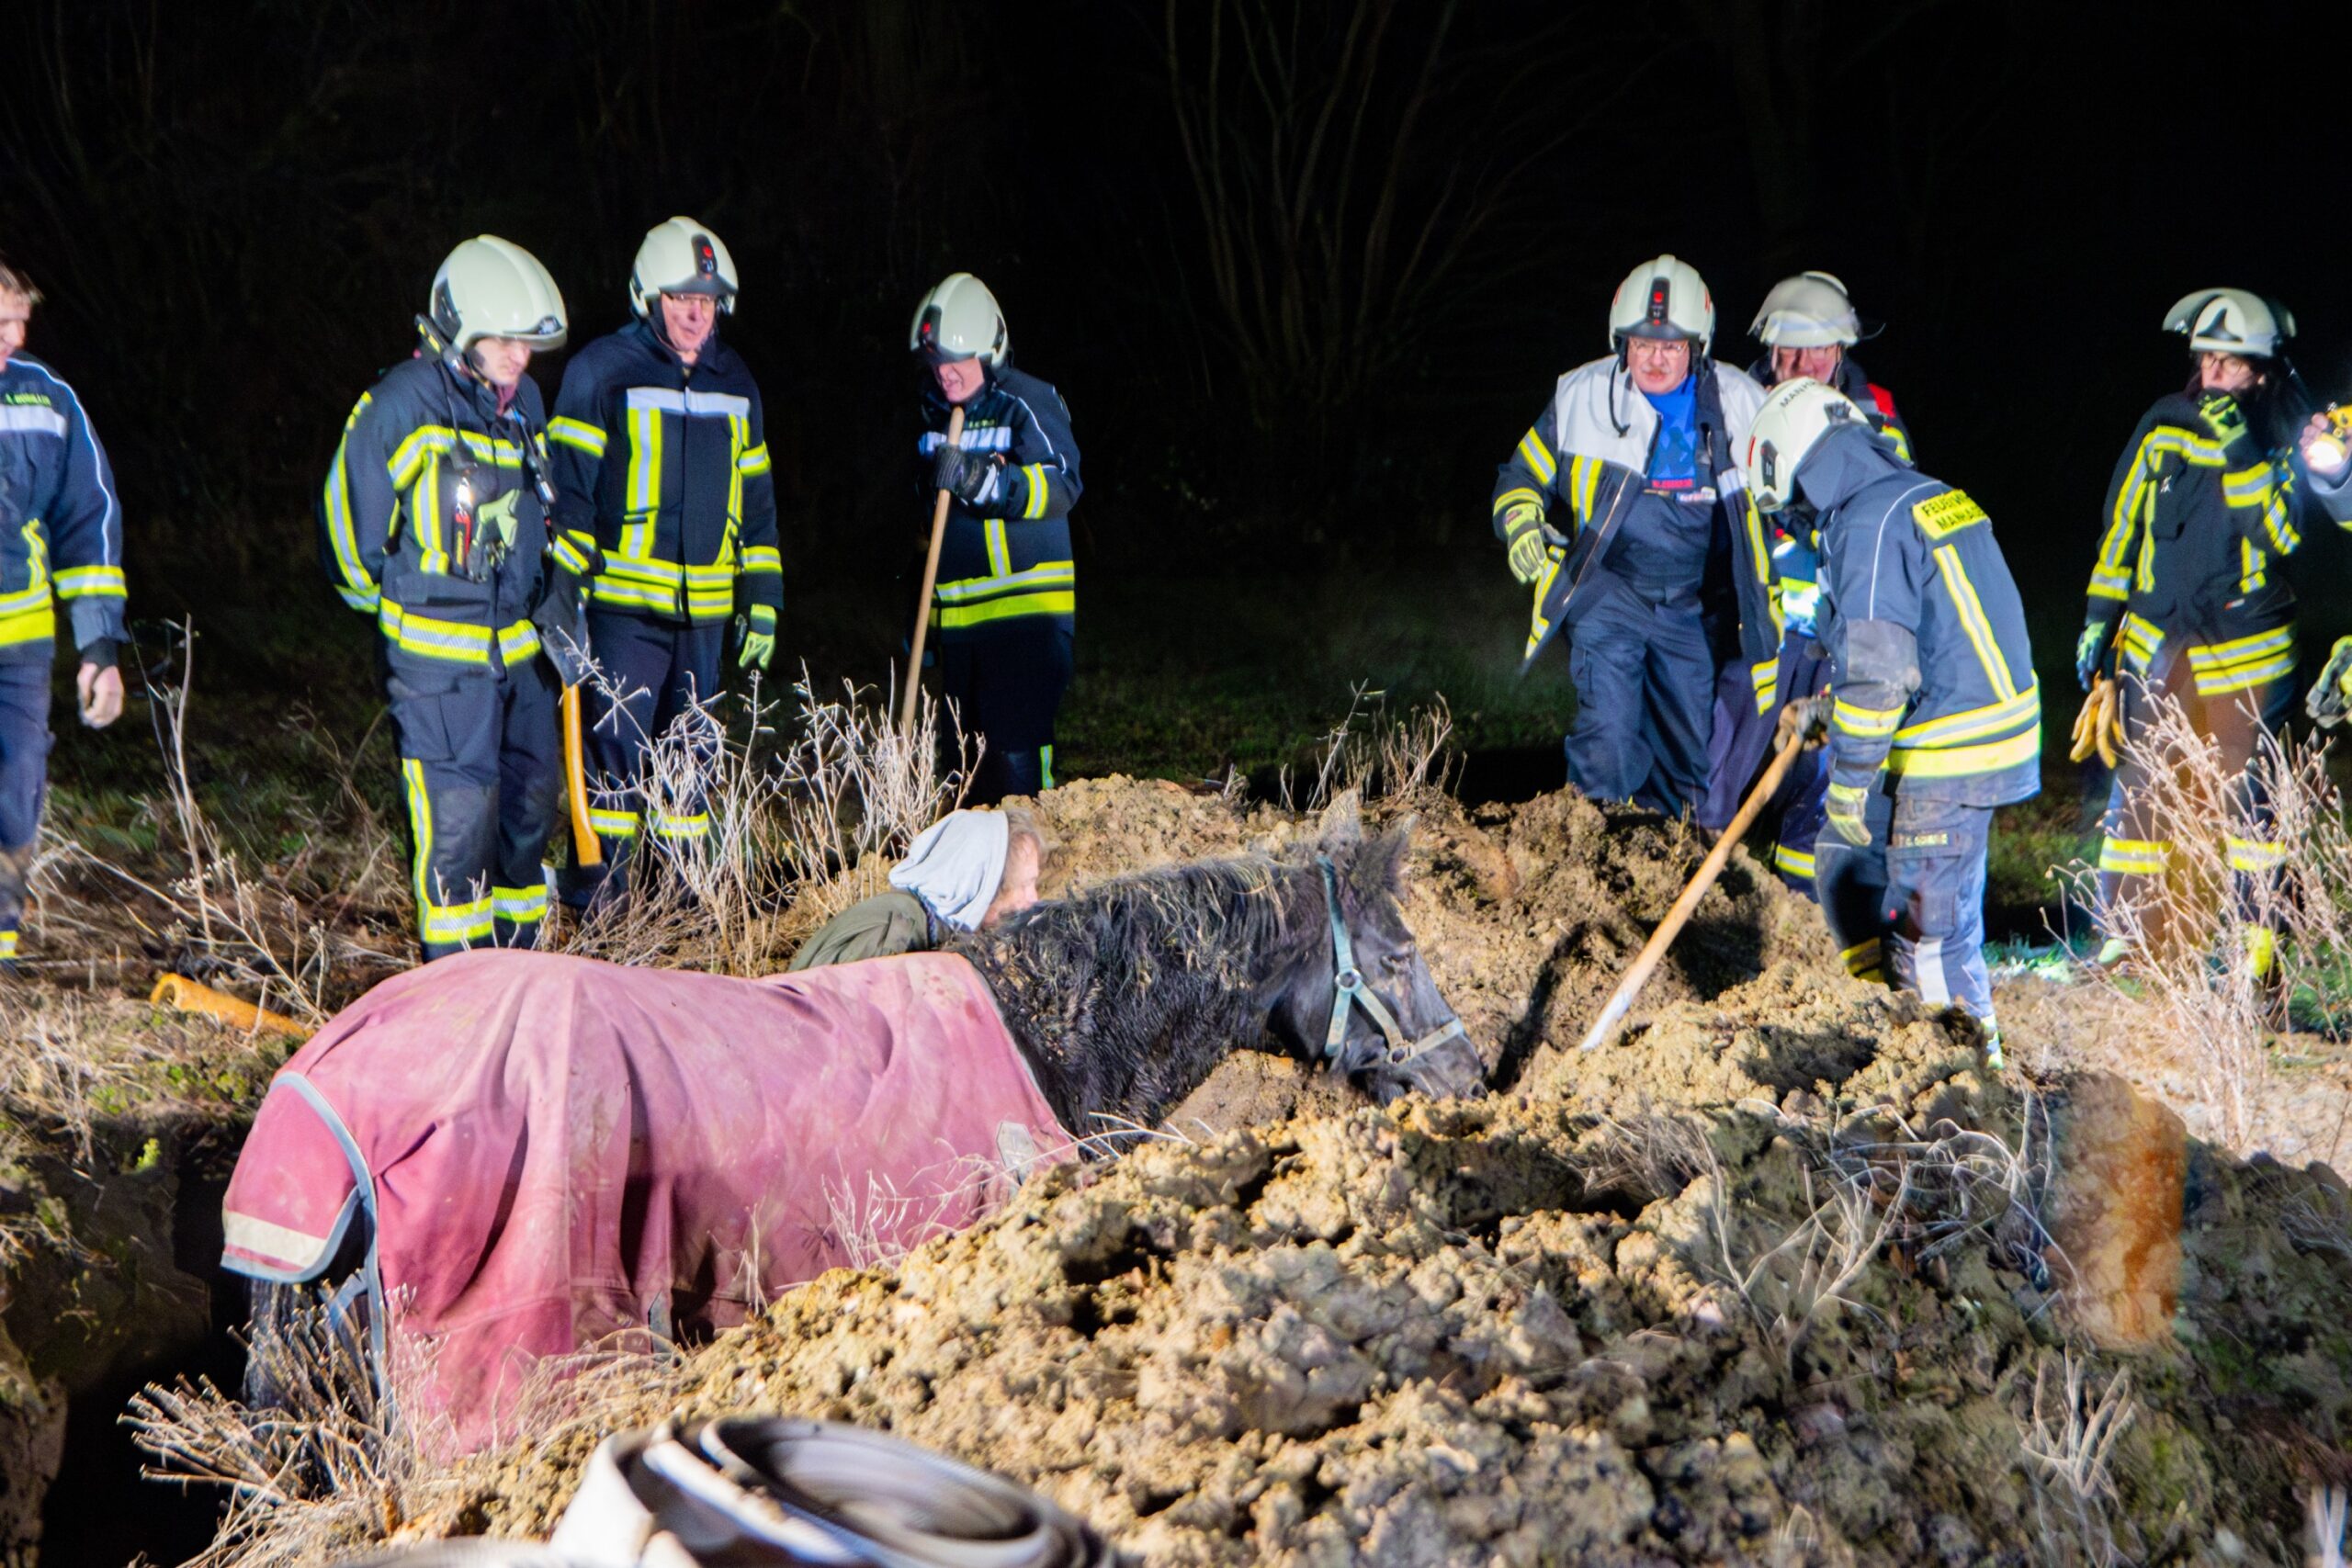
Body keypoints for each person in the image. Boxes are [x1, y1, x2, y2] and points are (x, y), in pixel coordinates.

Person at [1744, 377, 2038, 1067]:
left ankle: (1967, 1101)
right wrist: (1828, 713)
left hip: (1948, 751)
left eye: (1792, 507)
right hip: (1975, 732)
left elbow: (1880, 677)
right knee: (1844, 865)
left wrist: (1845, 792)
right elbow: (1926, 643)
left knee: (1930, 940)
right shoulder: (1923, 494)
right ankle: (1877, 1034)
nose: (1798, 522)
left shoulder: (1867, 522)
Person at [320, 236, 572, 961]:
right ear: (457, 328)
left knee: (527, 814)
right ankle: (457, 1001)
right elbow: (348, 527)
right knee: (457, 834)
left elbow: (537, 511)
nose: (518, 357)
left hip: (517, 657)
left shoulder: (524, 401)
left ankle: (517, 974)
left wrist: (551, 591)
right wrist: (400, 607)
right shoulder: (403, 403)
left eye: (527, 343)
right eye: (502, 341)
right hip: (438, 668)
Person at [1491, 255, 1777, 818]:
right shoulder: (1581, 397)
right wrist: (1521, 522)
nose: (1656, 358)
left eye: (1671, 346)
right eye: (1643, 343)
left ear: (1697, 346)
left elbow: (1791, 495)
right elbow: (1520, 475)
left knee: (1689, 756)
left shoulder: (1744, 403)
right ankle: (1592, 857)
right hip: (1609, 592)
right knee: (1611, 737)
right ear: (1621, 341)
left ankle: (1663, 872)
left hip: (1692, 609)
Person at [546, 219, 780, 903]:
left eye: (707, 302)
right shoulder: (601, 372)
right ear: (649, 297)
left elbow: (758, 501)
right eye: (682, 299)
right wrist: (565, 588)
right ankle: (606, 914)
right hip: (624, 615)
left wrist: (762, 596)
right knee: (613, 771)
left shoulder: (737, 382)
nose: (694, 314)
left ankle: (683, 912)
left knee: (689, 774)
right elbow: (573, 496)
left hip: (704, 619)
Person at [2077, 289, 2307, 976]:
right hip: (2160, 640)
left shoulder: (2287, 439)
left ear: (2261, 374)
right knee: (2139, 791)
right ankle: (2126, 939)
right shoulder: (2164, 426)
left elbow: (2279, 532)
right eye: (2206, 360)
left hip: (2247, 650)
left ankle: (2252, 956)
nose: (2213, 376)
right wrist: (2097, 622)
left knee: (2251, 806)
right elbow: (2121, 530)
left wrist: (2239, 448)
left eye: (2230, 365)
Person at [1707, 272, 1917, 891]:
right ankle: (1700, 902)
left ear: (1841, 351)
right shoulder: (1738, 401)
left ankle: (1804, 916)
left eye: (1814, 352)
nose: (1798, 366)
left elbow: (1889, 515)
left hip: (1836, 635)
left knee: (1821, 784)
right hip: (1757, 631)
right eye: (1785, 352)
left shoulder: (1875, 412)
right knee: (1719, 770)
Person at [909, 273, 1082, 807]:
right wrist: (928, 616)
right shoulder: (934, 416)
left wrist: (986, 481)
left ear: (990, 350)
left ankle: (1035, 885)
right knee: (964, 772)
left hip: (1025, 622)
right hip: (963, 627)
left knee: (1017, 771)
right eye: (937, 361)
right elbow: (931, 529)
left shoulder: (1027, 402)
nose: (946, 374)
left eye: (958, 360)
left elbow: (1062, 483)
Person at [0, 259, 128, 967]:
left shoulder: (47, 402)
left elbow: (89, 523)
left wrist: (99, 647)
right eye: (3, 322)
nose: (18, 336)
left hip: (19, 645)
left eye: (21, 319)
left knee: (17, 793)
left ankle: (1, 945)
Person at [788, 806, 1045, 970]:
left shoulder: (923, 922)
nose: (1033, 898)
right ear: (980, 889)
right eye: (1022, 885)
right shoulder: (894, 936)